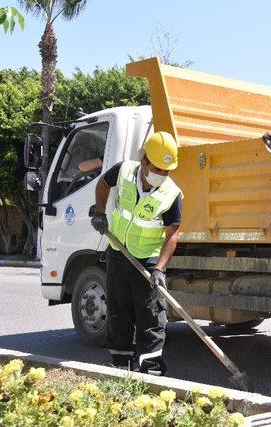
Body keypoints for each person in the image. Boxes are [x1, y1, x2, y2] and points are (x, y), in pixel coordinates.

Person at [90, 131, 183, 376]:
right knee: (118, 310)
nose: (162, 175)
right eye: (158, 169)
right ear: (144, 163)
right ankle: (120, 365)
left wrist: (160, 268)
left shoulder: (171, 194)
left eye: (167, 171)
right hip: (118, 251)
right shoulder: (124, 171)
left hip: (148, 259)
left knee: (151, 315)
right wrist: (100, 213)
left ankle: (150, 368)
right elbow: (103, 183)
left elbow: (172, 234)